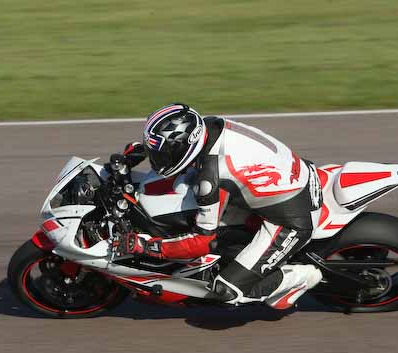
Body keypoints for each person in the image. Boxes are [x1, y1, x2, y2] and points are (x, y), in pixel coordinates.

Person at [116, 103, 322, 309]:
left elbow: (201, 242)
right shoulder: (209, 125)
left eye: (161, 154)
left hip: (293, 219)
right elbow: (178, 144)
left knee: (227, 291)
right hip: (294, 176)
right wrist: (143, 150)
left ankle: (298, 278)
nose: (158, 159)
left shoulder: (210, 179)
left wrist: (148, 246)